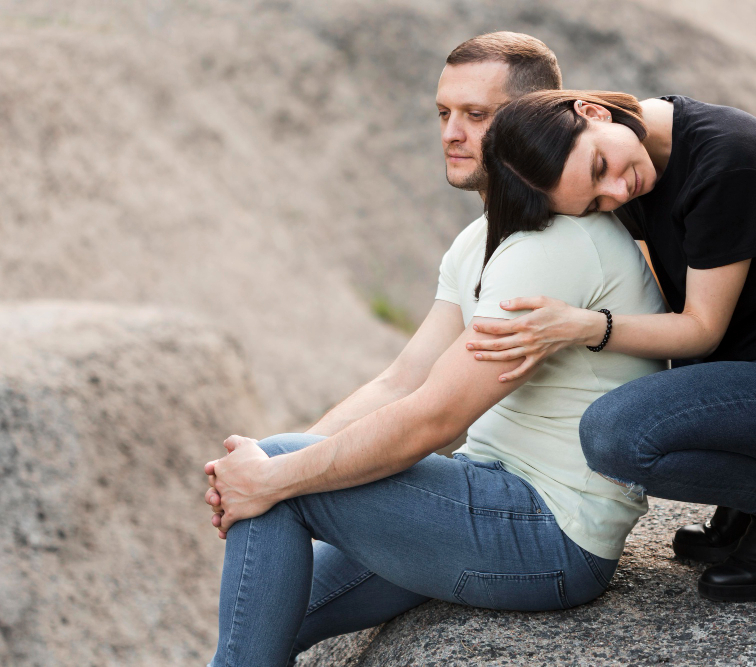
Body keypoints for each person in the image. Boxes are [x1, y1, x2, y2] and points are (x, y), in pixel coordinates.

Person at [202, 34, 666, 666]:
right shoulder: (481, 240)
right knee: (262, 607)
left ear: (532, 121)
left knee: (285, 477)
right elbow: (402, 381)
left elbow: (437, 418)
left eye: (477, 116)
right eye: (444, 114)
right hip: (485, 496)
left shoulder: (556, 245)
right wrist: (264, 469)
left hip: (549, 533)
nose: (452, 132)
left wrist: (277, 474)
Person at [469, 89, 756, 602]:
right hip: (755, 372)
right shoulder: (640, 148)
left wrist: (580, 325)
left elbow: (701, 327)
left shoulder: (727, 164)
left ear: (591, 111)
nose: (617, 192)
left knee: (613, 435)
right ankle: (746, 508)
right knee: (635, 409)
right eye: (594, 203)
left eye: (601, 167)